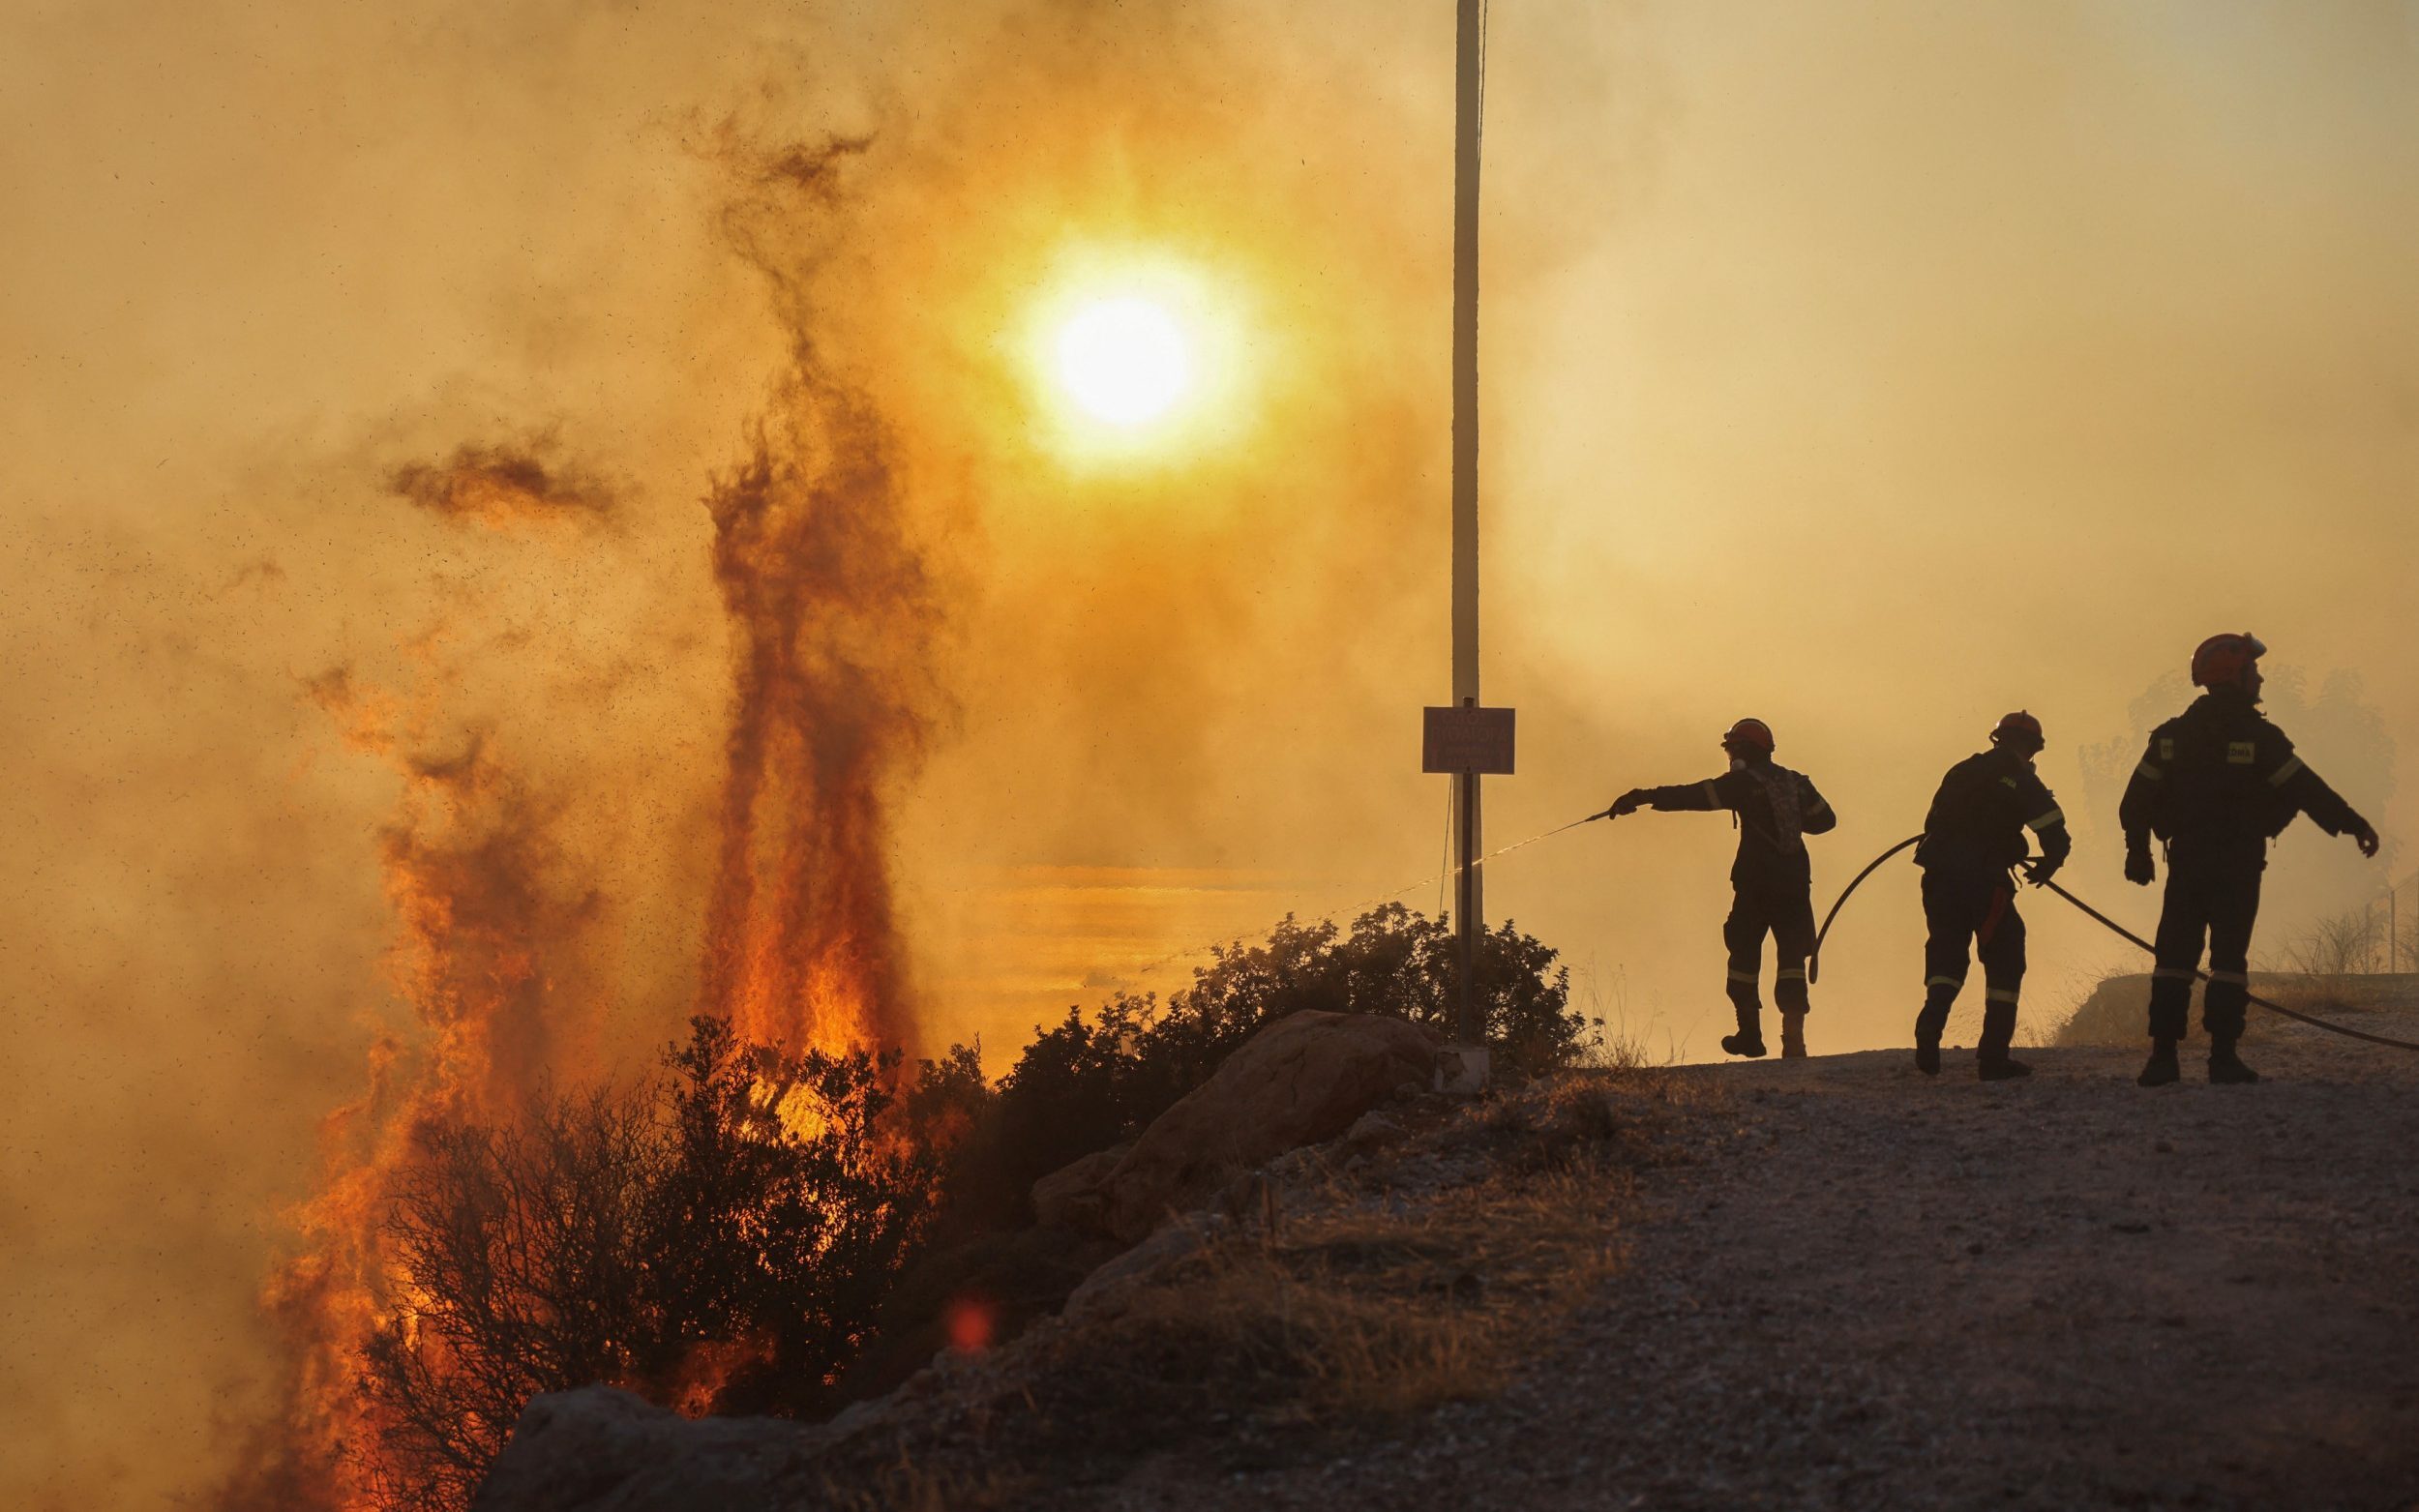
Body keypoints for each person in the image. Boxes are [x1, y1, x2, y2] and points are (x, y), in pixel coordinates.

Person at [2118, 634, 2380, 1086]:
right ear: (2234, 676)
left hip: (2188, 863)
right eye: (2252, 671)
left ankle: (2162, 1059)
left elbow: (2135, 802)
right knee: (2228, 962)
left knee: (2174, 958)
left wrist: (2138, 851)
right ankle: (2222, 1059)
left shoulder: (2172, 737)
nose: (2259, 678)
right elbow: (2305, 790)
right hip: (2237, 865)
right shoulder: (2259, 738)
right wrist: (2354, 823)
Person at [1610, 718, 1837, 1058]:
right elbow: (1826, 821)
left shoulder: (1741, 784)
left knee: (1743, 960)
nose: (1730, 755)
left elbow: (1694, 795)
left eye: (1732, 748)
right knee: (1792, 959)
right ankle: (1794, 1041)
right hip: (1794, 885)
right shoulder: (1797, 783)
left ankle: (1750, 1035)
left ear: (1743, 751)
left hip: (1755, 886)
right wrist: (1788, 817)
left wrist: (1642, 797)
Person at [1911, 711, 2072, 1081]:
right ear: (2031, 748)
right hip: (1985, 883)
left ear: (1997, 739)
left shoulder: (1961, 771)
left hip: (1938, 878)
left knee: (1947, 954)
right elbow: (2054, 831)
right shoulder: (2021, 779)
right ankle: (1994, 1058)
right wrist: (2049, 864)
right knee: (2006, 956)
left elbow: (1933, 823)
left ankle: (1930, 1024)